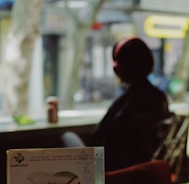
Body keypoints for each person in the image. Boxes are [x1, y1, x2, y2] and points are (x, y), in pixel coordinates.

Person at [63, 37, 170, 172]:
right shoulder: (160, 98)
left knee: (67, 137)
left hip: (112, 175)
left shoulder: (123, 105)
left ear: (118, 68)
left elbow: (97, 140)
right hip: (146, 173)